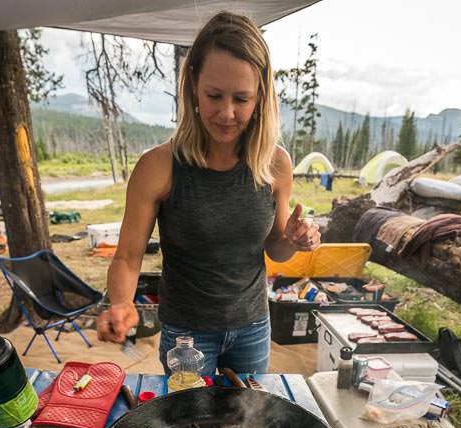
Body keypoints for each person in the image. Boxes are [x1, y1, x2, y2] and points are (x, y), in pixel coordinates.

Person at [96, 11, 320, 375]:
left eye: (242, 99)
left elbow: (276, 249)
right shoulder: (158, 166)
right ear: (193, 87)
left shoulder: (275, 164)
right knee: (191, 427)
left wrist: (295, 240)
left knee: (249, 427)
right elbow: (127, 257)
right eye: (214, 95)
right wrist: (121, 302)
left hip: (253, 327)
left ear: (261, 97)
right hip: (186, 333)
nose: (227, 113)